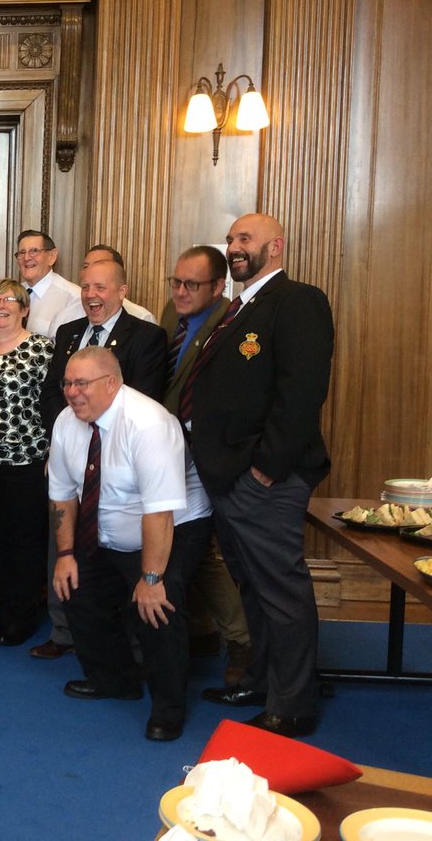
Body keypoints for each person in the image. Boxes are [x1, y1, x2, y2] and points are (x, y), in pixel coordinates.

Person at [188, 213, 334, 738]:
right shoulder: (237, 307)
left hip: (263, 478)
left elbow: (300, 395)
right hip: (228, 477)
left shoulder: (298, 302)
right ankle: (261, 680)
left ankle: (293, 704)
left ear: (276, 246)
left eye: (244, 238)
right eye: (230, 239)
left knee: (280, 591)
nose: (233, 247)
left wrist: (265, 471)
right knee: (252, 587)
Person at [50, 347, 212, 742]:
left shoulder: (149, 423)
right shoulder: (66, 423)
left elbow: (159, 512)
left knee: (158, 606)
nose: (72, 392)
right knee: (77, 589)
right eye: (68, 383)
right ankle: (114, 680)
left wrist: (152, 577)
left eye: (82, 383)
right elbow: (62, 495)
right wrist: (66, 555)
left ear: (112, 383)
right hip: (102, 525)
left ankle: (168, 708)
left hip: (172, 525)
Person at [160, 245, 252, 686]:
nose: (180, 291)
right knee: (184, 546)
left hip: (210, 453)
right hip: (170, 448)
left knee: (209, 551)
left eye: (191, 285)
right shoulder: (171, 315)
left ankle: (242, 641)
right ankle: (205, 631)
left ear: (219, 287)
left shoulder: (231, 324)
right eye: (175, 282)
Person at [0, 278, 54, 646]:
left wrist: (55, 452)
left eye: (10, 300)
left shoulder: (43, 349)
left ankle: (24, 614)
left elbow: (53, 406)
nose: (1, 305)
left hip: (29, 460)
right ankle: (8, 606)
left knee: (27, 539)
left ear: (24, 308)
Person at [40, 259, 167, 429]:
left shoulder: (147, 336)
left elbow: (143, 398)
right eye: (85, 287)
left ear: (121, 292)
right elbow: (51, 390)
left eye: (100, 287)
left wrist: (95, 436)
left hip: (116, 441)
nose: (90, 294)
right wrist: (67, 431)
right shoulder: (67, 332)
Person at [15, 230, 83, 339]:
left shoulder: (73, 298)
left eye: (34, 251)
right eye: (22, 253)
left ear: (52, 256)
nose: (26, 258)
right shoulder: (14, 293)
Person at [82, 245, 158, 323]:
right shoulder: (75, 310)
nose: (91, 271)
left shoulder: (141, 317)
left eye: (101, 264)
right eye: (86, 267)